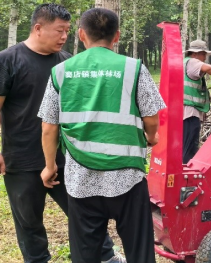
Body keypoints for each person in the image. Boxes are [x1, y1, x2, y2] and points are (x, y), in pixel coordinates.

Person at [0, 4, 122, 263]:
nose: (64, 36)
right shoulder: (7, 60)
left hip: (66, 158)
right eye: (59, 30)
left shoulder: (67, 62)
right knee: (28, 221)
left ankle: (107, 257)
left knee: (86, 212)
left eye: (68, 31)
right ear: (38, 28)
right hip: (22, 158)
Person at [38, 8, 165, 263]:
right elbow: (152, 119)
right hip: (127, 177)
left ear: (81, 34)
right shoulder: (133, 68)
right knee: (139, 250)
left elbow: (49, 127)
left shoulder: (61, 72)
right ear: (116, 36)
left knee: (86, 253)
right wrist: (152, 137)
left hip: (81, 180)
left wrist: (49, 166)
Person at [182, 39, 211, 163]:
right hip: (190, 112)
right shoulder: (192, 62)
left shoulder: (183, 63)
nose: (205, 57)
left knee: (184, 146)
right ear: (195, 54)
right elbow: (209, 68)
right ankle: (186, 177)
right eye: (203, 54)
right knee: (189, 149)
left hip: (184, 112)